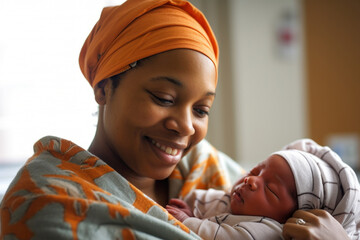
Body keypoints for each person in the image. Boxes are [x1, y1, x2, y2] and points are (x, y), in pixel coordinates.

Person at [0, 0, 356, 239]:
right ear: (105, 87)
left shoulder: (205, 167)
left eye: (201, 110)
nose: (186, 127)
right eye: (164, 98)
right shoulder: (47, 203)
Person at [166, 138, 360, 239]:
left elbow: (219, 236)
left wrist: (187, 221)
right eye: (255, 171)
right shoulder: (236, 200)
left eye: (271, 190)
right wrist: (194, 209)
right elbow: (213, 202)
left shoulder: (268, 231)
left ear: (297, 218)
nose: (251, 180)